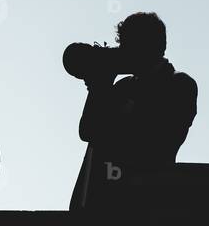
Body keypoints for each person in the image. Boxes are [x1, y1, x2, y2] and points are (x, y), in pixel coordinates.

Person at [70, 12, 197, 209]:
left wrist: (105, 92)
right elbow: (88, 131)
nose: (124, 52)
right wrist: (98, 87)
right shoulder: (123, 86)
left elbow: (157, 141)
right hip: (101, 199)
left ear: (153, 46)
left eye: (131, 44)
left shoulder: (179, 85)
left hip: (144, 199)